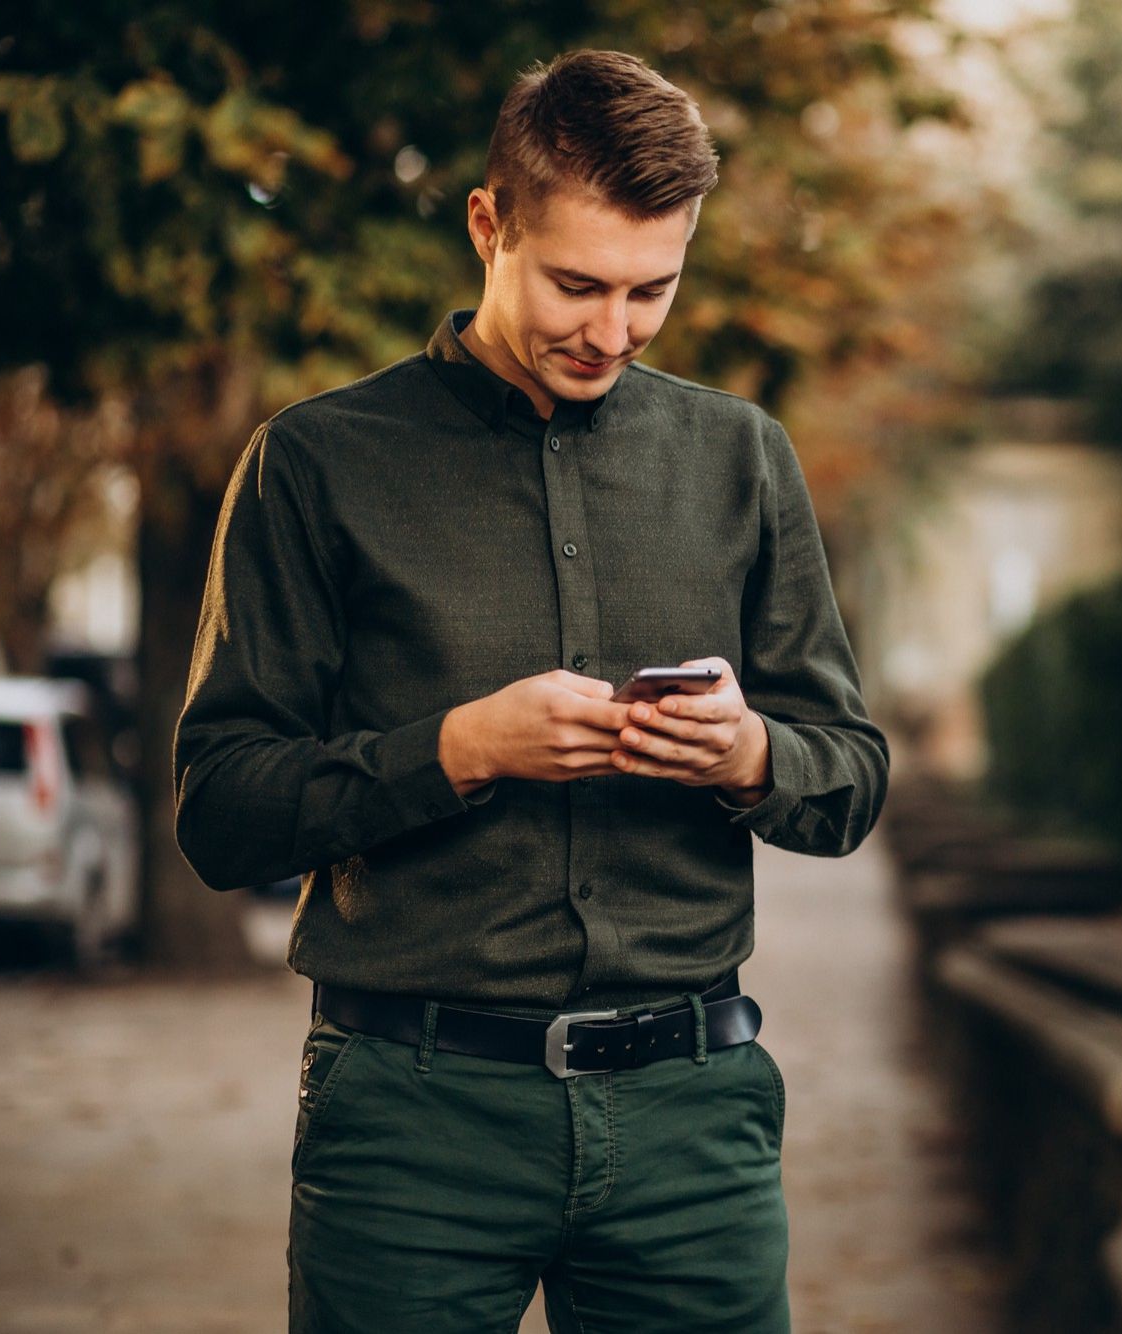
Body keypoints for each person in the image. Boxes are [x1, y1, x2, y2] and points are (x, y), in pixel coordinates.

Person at [171, 48, 888, 1334]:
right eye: (576, 285)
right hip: (410, 1115)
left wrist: (748, 754)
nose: (611, 332)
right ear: (488, 224)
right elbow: (219, 809)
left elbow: (849, 773)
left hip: (693, 1122)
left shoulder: (742, 459)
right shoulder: (314, 466)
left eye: (650, 290)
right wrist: (455, 748)